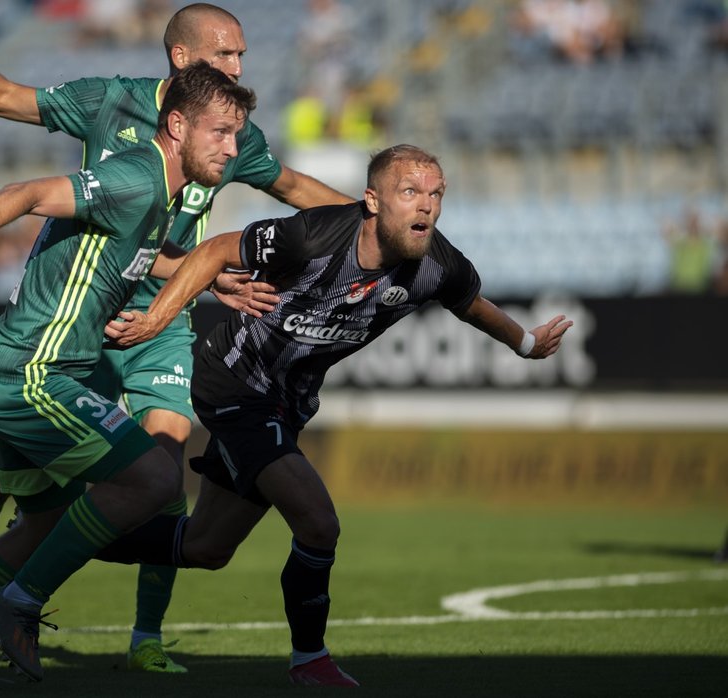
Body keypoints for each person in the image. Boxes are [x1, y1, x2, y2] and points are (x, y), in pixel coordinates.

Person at [0, 0, 353, 672]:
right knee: (18, 489)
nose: (240, 69)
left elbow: (289, 186)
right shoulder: (117, 116)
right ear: (182, 66)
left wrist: (368, 224)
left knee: (156, 467)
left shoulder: (224, 135)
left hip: (156, 315)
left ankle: (135, 636)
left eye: (243, 56)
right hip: (63, 333)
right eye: (226, 55)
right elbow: (4, 105)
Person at [100, 144, 575, 687]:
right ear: (373, 201)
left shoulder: (437, 265)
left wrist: (525, 341)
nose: (426, 207)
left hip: (288, 402)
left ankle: (64, 537)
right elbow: (212, 251)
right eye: (410, 192)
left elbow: (471, 304)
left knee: (207, 548)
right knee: (319, 522)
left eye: (436, 194)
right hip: (235, 378)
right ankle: (310, 662)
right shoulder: (314, 235)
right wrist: (155, 321)